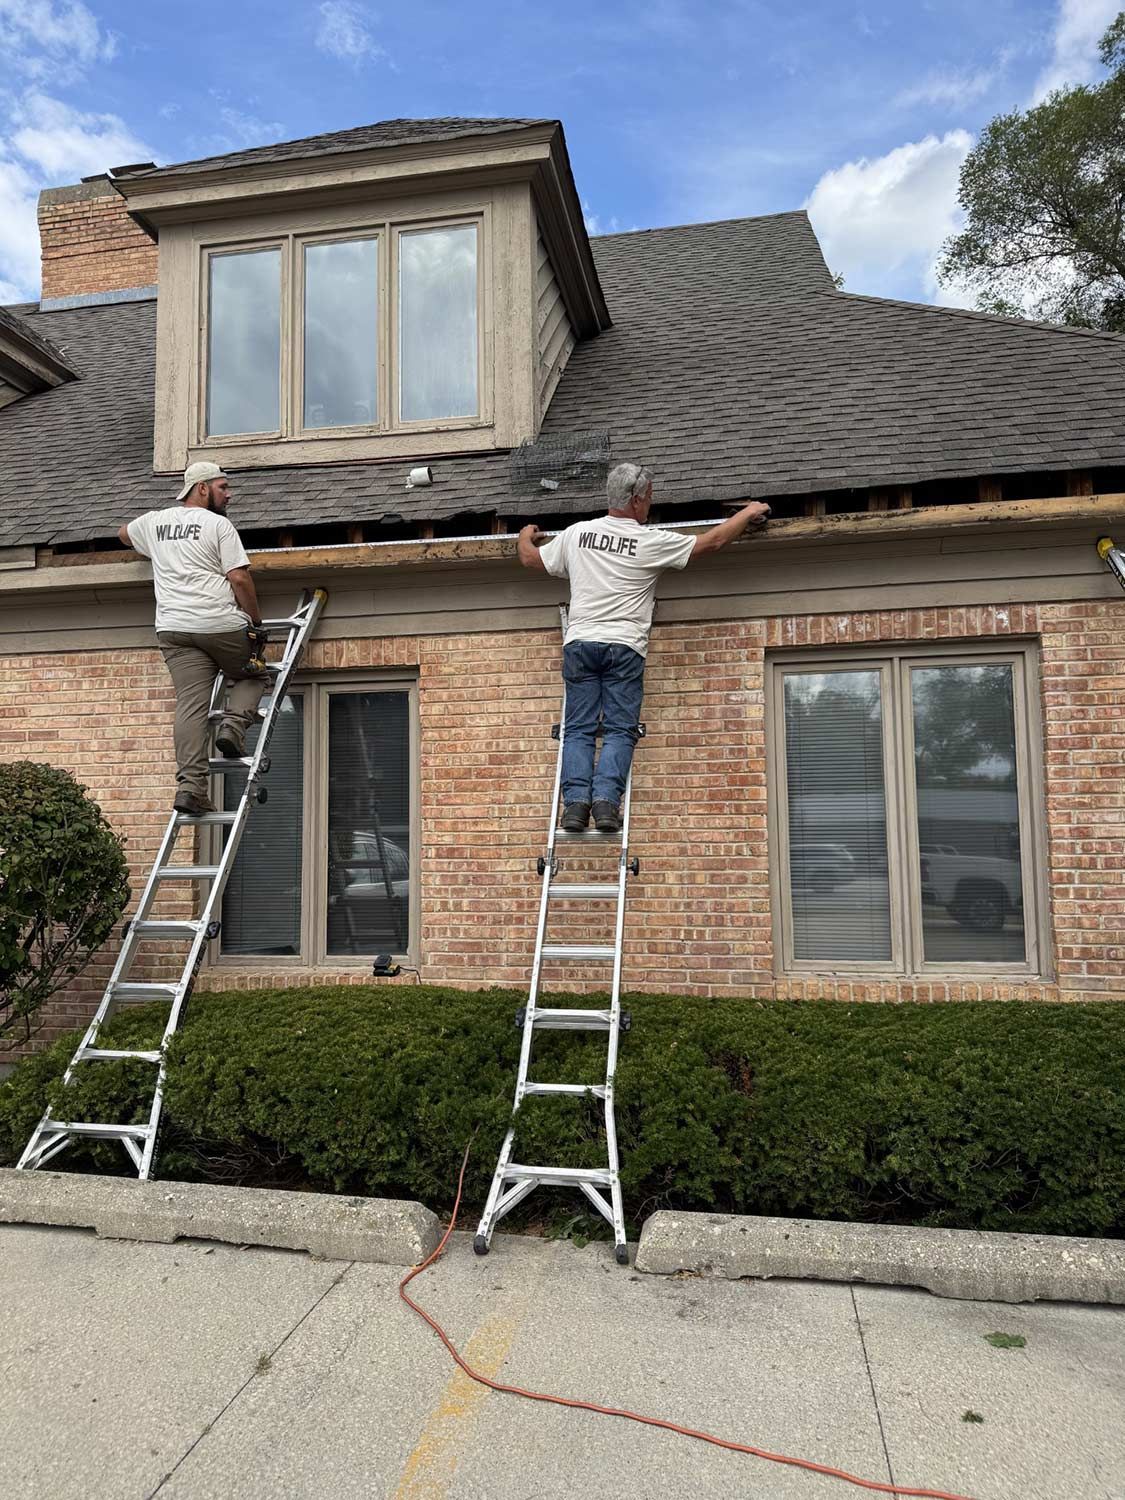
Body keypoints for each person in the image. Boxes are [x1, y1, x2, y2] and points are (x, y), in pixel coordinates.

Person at [518, 463, 770, 833]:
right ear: (636, 501)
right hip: (623, 648)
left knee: (578, 730)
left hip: (581, 644)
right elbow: (711, 542)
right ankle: (605, 805)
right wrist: (748, 512)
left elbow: (529, 558)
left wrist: (525, 535)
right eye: (649, 499)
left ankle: (575, 808)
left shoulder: (577, 535)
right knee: (620, 730)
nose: (650, 506)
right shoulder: (648, 541)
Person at [119, 461, 268, 818]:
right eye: (223, 487)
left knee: (190, 706)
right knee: (253, 673)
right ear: (201, 488)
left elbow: (124, 533)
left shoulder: (155, 522)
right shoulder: (218, 524)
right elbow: (240, 578)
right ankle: (232, 728)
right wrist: (256, 622)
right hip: (218, 623)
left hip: (173, 629)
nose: (228, 494)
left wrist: (155, 547)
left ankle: (190, 788)